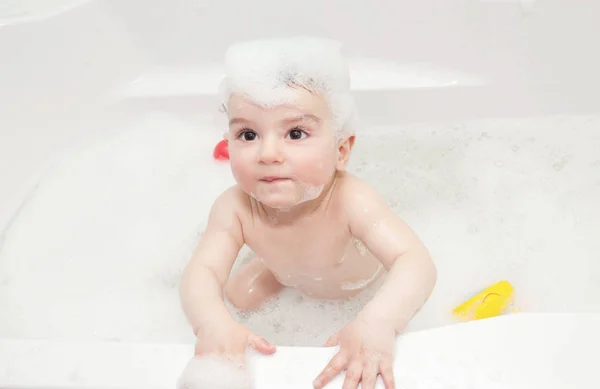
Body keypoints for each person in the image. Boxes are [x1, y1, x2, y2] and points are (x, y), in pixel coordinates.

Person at [179, 36, 437, 389]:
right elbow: (202, 270)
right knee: (239, 297)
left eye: (295, 133)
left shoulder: (351, 200)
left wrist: (378, 322)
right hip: (287, 273)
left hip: (357, 286)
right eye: (248, 134)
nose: (267, 153)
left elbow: (415, 262)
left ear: (341, 150)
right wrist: (211, 322)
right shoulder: (234, 207)